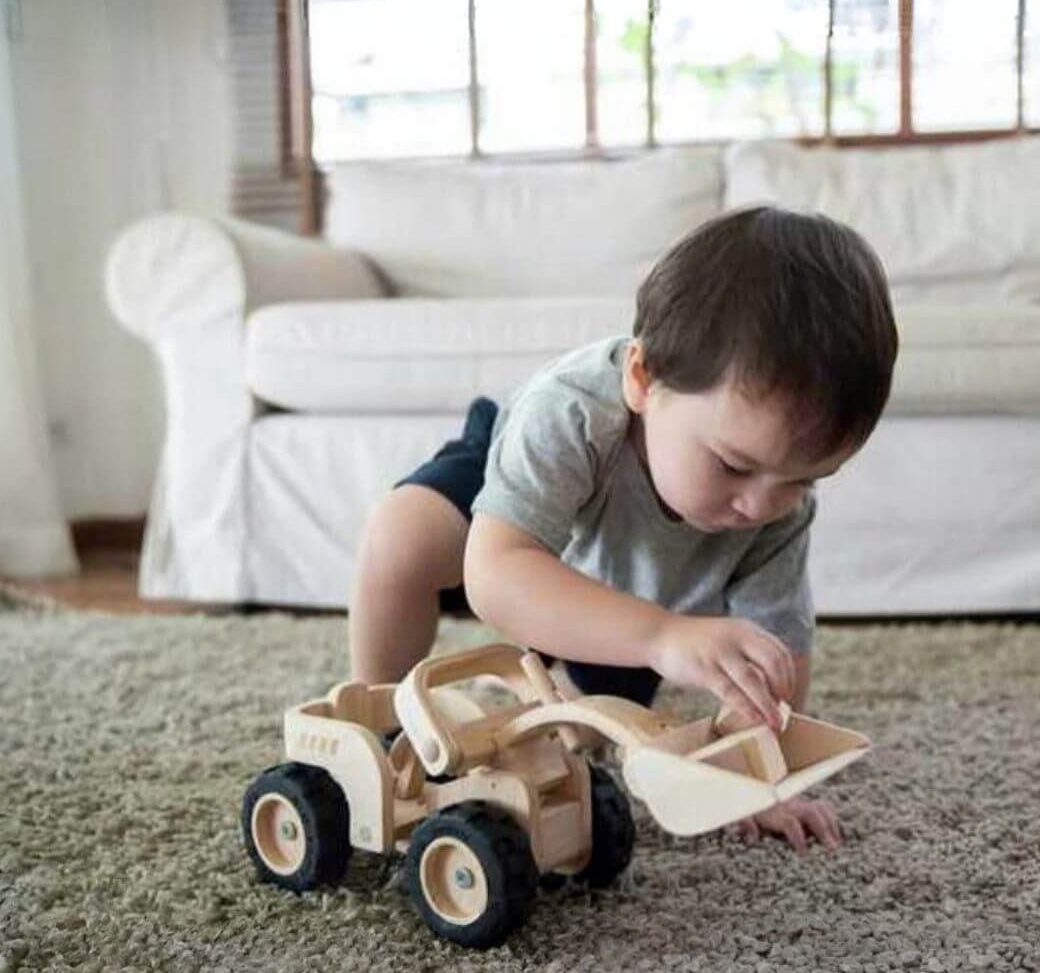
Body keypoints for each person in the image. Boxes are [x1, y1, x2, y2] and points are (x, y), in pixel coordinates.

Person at [348, 205, 898, 850]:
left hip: (636, 584)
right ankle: (380, 719)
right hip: (520, 518)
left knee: (581, 734)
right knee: (400, 536)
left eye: (806, 479)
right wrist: (663, 637)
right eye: (733, 464)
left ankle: (564, 677)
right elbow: (496, 576)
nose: (760, 505)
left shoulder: (775, 506)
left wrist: (761, 776)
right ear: (643, 379)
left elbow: (777, 658)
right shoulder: (570, 411)